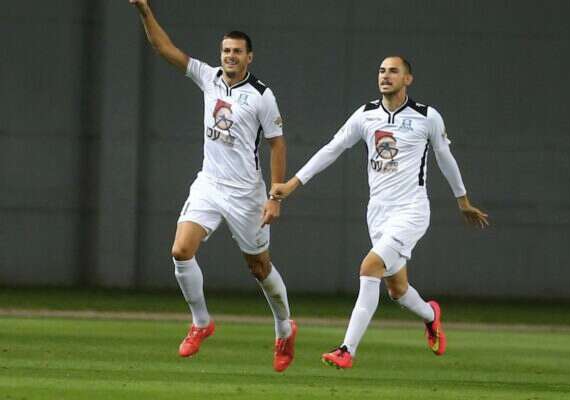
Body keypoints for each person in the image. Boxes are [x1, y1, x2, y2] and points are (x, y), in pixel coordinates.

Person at [270, 56, 489, 369]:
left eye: (393, 71)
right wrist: (293, 183)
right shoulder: (365, 115)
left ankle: (346, 349)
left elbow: (445, 158)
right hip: (377, 213)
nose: (385, 76)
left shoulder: (427, 117)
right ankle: (431, 315)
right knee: (397, 289)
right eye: (382, 71)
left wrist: (462, 200)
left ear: (408, 79)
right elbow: (332, 148)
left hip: (411, 210)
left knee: (369, 267)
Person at [130, 0, 297, 372]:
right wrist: (144, 10)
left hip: (247, 193)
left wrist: (275, 196)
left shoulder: (262, 95)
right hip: (209, 183)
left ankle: (284, 328)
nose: (230, 56)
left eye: (237, 51)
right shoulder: (209, 77)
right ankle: (201, 323)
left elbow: (277, 144)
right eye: (226, 50)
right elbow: (164, 48)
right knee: (180, 250)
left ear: (249, 57)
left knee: (259, 268)